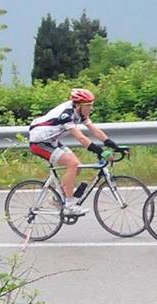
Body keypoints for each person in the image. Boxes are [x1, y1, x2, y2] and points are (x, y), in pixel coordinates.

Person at [27, 88, 121, 216]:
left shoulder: (80, 112)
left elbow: (95, 130)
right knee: (72, 164)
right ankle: (69, 205)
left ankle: (57, 198)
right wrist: (100, 151)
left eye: (92, 105)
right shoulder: (66, 115)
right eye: (88, 106)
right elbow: (81, 138)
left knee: (77, 165)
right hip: (39, 142)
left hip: (52, 140)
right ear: (78, 105)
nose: (91, 109)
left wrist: (113, 145)